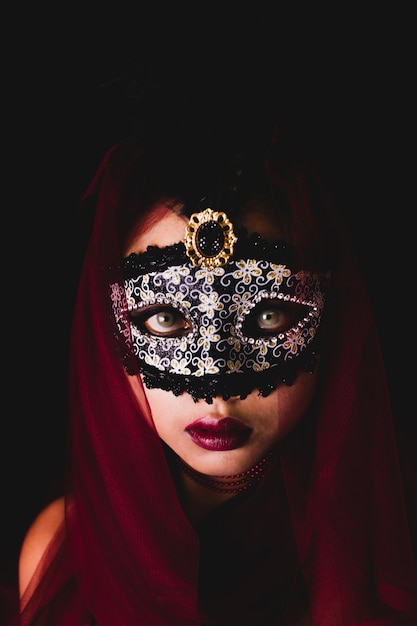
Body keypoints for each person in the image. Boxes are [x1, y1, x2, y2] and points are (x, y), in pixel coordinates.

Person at [3, 74, 417, 625]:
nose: (218, 381)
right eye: (167, 318)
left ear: (331, 315)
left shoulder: (389, 536)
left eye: (267, 316)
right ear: (111, 325)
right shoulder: (63, 550)